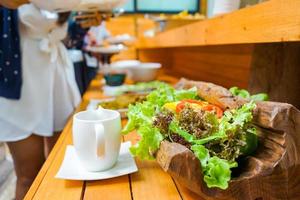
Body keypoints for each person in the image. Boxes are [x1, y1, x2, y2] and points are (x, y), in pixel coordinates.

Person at [0, 2, 81, 199]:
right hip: (20, 85)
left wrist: (86, 20)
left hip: (57, 78)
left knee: (64, 166)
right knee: (29, 177)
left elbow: (65, 33)